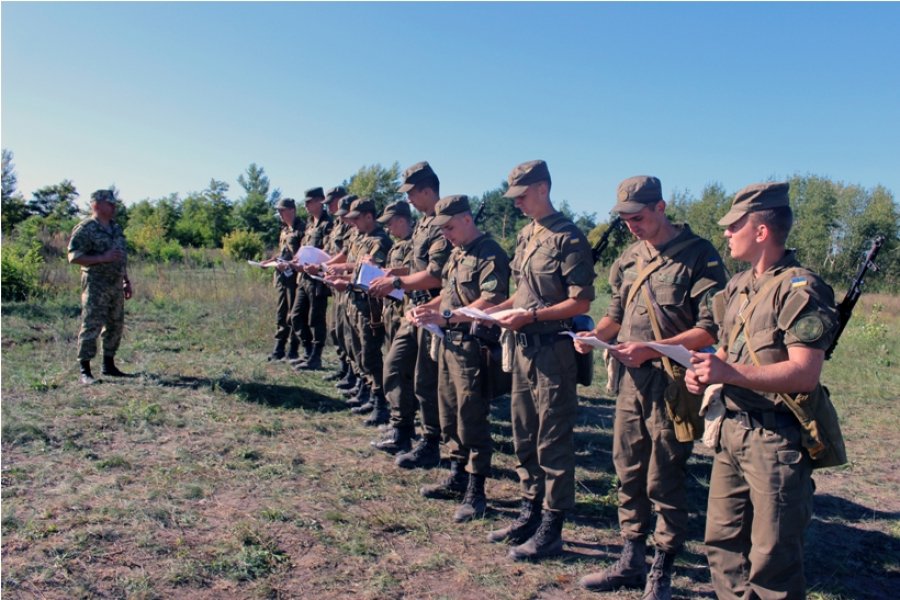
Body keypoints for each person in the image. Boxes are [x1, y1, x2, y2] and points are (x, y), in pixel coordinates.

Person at [685, 182, 839, 600]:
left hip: (774, 440)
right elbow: (725, 350)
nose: (726, 233)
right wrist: (703, 373)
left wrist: (729, 372)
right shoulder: (737, 287)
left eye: (734, 225)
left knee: (773, 562)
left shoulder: (800, 289)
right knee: (722, 546)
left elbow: (804, 373)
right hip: (731, 432)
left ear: (761, 231)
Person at [577, 176, 728, 600]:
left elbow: (710, 328)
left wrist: (653, 348)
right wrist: (593, 339)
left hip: (671, 384)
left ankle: (661, 566)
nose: (632, 227)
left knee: (664, 475)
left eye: (638, 218)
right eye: (625, 220)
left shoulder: (700, 256)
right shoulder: (628, 258)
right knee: (627, 468)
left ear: (661, 207)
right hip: (631, 381)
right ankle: (631, 557)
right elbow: (614, 316)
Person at [486, 160, 596, 561]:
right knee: (524, 435)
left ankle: (552, 527)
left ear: (543, 188)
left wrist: (530, 316)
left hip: (553, 351)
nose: (516, 203)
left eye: (522, 195)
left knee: (552, 440)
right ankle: (529, 511)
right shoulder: (527, 234)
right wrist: (498, 309)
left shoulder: (568, 237)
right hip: (522, 348)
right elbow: (523, 292)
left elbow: (580, 300)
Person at [410, 195, 510, 523]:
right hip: (449, 343)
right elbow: (451, 292)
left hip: (472, 346)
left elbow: (491, 299)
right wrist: (432, 308)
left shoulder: (489, 252)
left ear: (467, 219)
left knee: (471, 417)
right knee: (448, 412)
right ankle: (457, 475)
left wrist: (449, 316)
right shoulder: (458, 252)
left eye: (450, 227)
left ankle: (476, 490)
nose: (447, 235)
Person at [367, 161, 451, 468]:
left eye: (412, 193)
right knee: (394, 366)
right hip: (412, 310)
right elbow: (418, 268)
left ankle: (429, 442)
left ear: (428, 190)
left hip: (434, 313)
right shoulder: (425, 223)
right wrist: (394, 272)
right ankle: (402, 430)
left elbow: (437, 276)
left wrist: (397, 281)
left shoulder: (444, 222)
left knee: (425, 382)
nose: (409, 200)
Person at [325, 198, 393, 425]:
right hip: (353, 301)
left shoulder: (380, 241)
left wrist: (344, 274)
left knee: (370, 354)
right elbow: (355, 267)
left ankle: (380, 404)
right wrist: (341, 276)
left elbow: (372, 273)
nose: (352, 223)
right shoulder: (361, 238)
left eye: (356, 218)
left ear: (369, 216)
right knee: (355, 348)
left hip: (369, 306)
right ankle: (366, 392)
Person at [68, 189, 133, 384]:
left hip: (115, 284)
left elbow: (121, 257)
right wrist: (101, 258)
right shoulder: (86, 228)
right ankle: (85, 370)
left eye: (114, 204)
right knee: (92, 325)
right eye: (110, 204)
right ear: (96, 204)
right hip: (96, 284)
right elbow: (73, 256)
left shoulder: (116, 228)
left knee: (115, 324)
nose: (114, 207)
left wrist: (125, 280)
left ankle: (109, 365)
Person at [290, 187, 333, 371]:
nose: (306, 205)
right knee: (296, 316)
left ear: (320, 201)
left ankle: (316, 357)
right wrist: (296, 262)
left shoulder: (328, 224)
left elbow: (330, 253)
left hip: (318, 279)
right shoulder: (309, 224)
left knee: (316, 319)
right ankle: (307, 351)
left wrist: (319, 267)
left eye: (309, 202)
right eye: (305, 202)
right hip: (304, 277)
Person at [260, 197, 305, 361]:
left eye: (282, 210)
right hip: (282, 277)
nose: (279, 213)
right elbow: (283, 252)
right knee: (281, 313)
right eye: (278, 211)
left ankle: (293, 350)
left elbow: (303, 255)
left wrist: (289, 264)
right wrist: (271, 261)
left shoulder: (303, 229)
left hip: (295, 277)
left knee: (293, 315)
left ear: (292, 210)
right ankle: (279, 349)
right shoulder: (285, 230)